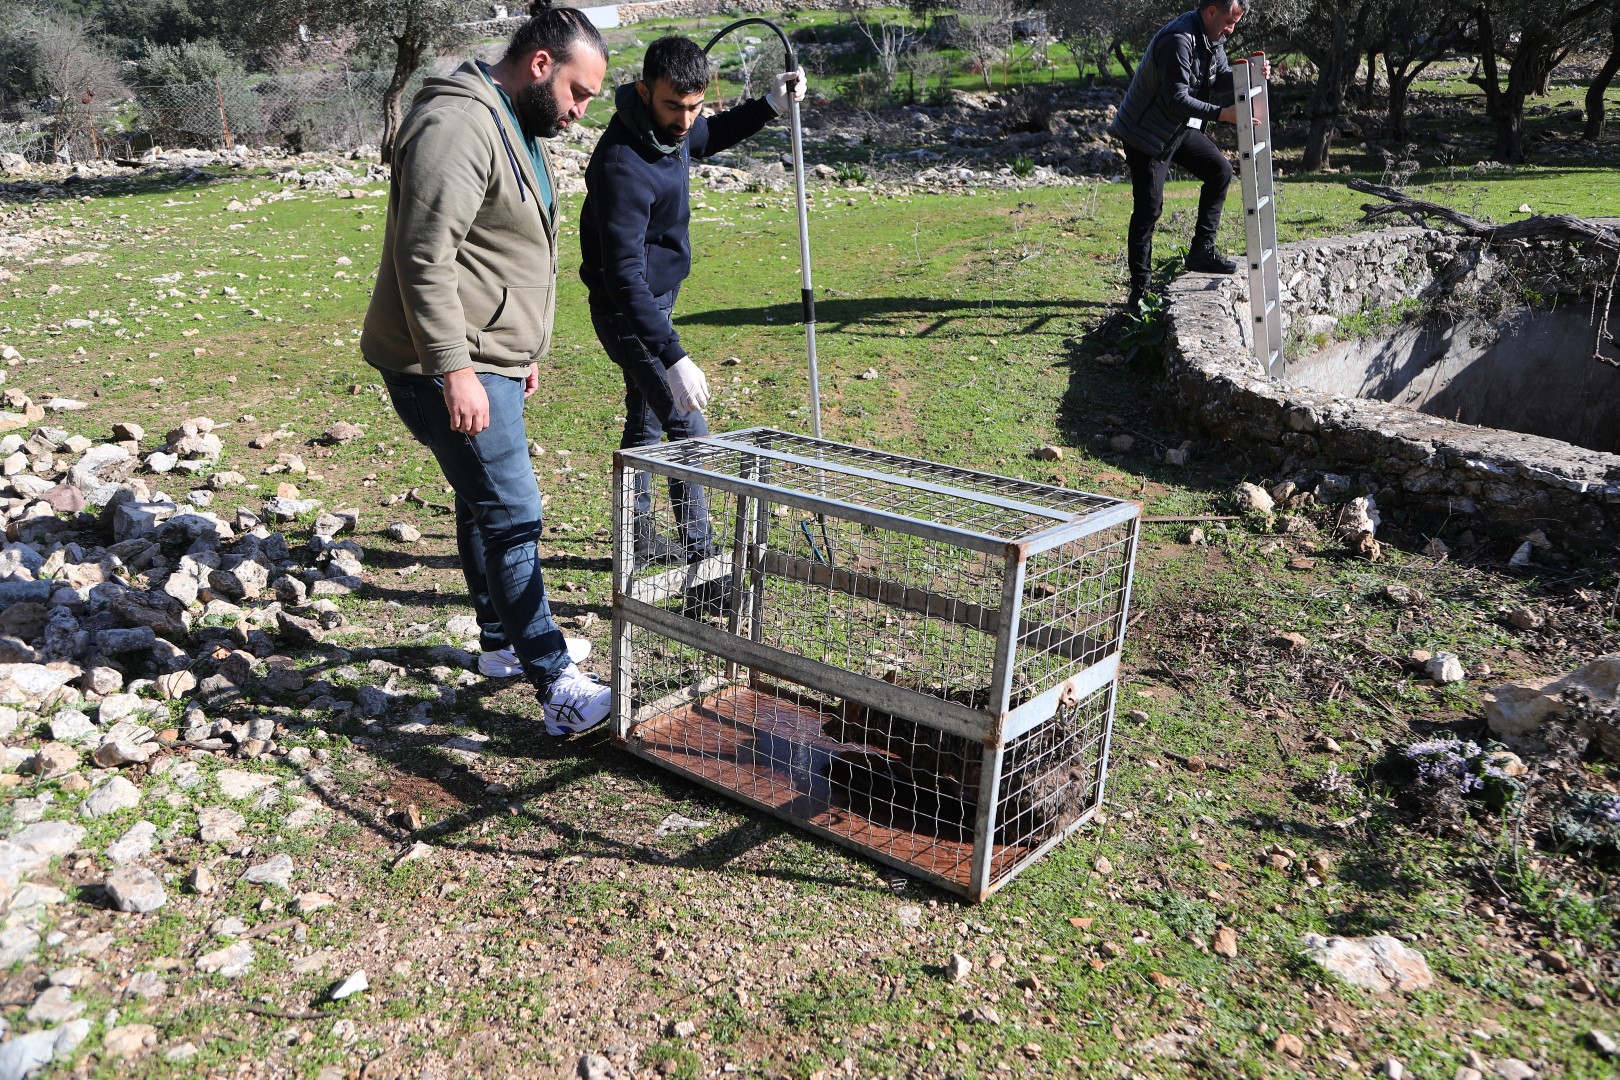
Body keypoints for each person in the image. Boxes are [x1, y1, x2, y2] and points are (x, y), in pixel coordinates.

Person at [360, 2, 613, 736]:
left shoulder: (514, 123)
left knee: (481, 501)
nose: (579, 112)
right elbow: (424, 256)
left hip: (487, 357)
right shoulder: (459, 125)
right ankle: (557, 686)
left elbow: (499, 246)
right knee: (513, 513)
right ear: (541, 66)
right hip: (443, 362)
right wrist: (457, 369)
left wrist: (517, 352)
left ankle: (501, 645)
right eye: (577, 93)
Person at [579, 36, 807, 574]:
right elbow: (625, 279)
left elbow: (709, 134)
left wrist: (769, 105)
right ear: (643, 91)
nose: (684, 120)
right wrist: (675, 355)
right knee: (686, 424)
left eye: (693, 105)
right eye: (672, 106)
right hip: (627, 310)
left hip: (655, 300)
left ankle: (634, 539)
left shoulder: (671, 131)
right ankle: (702, 563)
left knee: (646, 424)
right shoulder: (621, 164)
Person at [1109, 0, 1269, 309]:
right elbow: (1176, 99)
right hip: (1144, 134)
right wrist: (1224, 115)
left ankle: (1201, 251)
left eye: (1234, 23)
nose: (1231, 29)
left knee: (1220, 171)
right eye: (1228, 21)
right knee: (1149, 209)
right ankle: (1140, 290)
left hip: (1177, 128)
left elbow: (1219, 78)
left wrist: (1249, 73)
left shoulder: (1213, 38)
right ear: (1211, 11)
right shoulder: (1178, 40)